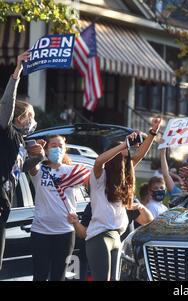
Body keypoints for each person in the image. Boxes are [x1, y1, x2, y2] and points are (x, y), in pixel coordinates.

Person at [85, 118, 160, 281]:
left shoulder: (124, 178)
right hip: (99, 237)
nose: (125, 162)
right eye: (122, 158)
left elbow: (139, 154)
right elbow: (99, 161)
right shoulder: (100, 177)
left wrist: (152, 133)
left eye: (126, 159)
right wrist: (123, 145)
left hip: (117, 236)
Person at [0, 51, 46, 270]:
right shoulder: (6, 130)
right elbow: (7, 102)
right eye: (30, 116)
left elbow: (17, 170)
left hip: (5, 208)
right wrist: (18, 70)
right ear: (18, 119)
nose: (33, 122)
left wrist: (38, 157)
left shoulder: (20, 141)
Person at [28, 135, 90, 281]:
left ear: (65, 149)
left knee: (58, 276)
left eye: (60, 146)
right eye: (53, 145)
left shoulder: (72, 171)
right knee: (39, 276)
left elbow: (98, 183)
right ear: (46, 149)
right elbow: (31, 166)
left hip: (65, 232)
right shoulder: (40, 170)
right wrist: (37, 152)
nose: (57, 149)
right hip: (40, 232)